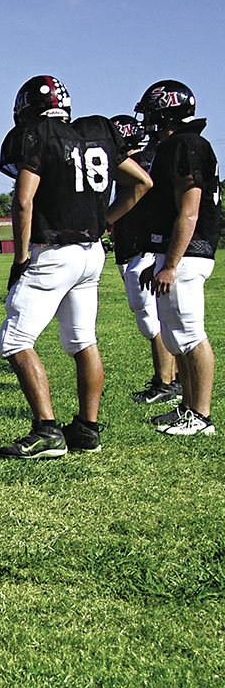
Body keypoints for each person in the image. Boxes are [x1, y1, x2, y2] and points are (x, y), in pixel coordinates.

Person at [0, 75, 152, 459]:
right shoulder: (98, 130)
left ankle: (47, 431)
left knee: (15, 341)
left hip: (53, 252)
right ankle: (87, 427)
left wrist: (20, 257)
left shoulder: (37, 135)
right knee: (82, 340)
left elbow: (23, 201)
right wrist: (105, 222)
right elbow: (142, 183)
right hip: (91, 252)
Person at [134, 80, 220, 436]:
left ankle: (200, 416)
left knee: (189, 333)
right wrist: (160, 260)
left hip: (187, 253)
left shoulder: (186, 145)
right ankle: (187, 406)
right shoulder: (179, 144)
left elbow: (189, 210)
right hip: (175, 253)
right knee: (174, 336)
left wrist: (170, 263)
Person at [110, 114, 179, 404]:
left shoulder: (143, 162)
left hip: (143, 249)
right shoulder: (146, 159)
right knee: (156, 317)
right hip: (139, 248)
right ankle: (170, 379)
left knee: (151, 319)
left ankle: (166, 382)